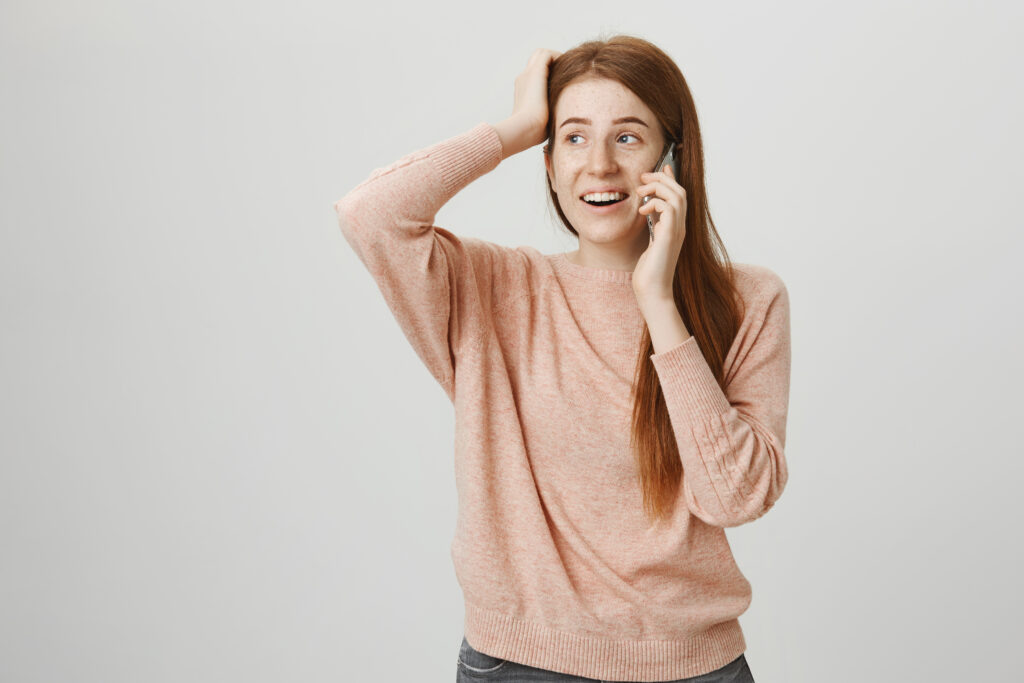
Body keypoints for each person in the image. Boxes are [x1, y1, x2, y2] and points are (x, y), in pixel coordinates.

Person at [334, 34, 789, 683]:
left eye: (628, 137)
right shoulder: (492, 288)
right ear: (548, 163)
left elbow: (733, 496)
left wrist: (659, 303)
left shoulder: (749, 299)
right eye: (574, 137)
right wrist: (516, 128)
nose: (599, 163)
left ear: (674, 159)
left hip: (693, 666)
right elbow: (369, 215)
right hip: (520, 663)